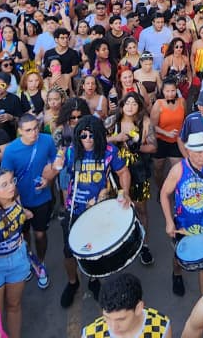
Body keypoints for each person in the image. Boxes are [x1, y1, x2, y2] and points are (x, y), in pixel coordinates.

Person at [41, 114, 132, 307]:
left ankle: (93, 279)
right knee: (69, 252)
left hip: (99, 210)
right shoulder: (71, 152)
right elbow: (49, 174)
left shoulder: (109, 151)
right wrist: (56, 161)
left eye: (92, 135)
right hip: (74, 210)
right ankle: (72, 283)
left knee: (96, 249)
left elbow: (123, 171)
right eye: (83, 136)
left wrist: (124, 192)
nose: (88, 140)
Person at [161, 132, 203, 297]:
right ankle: (177, 274)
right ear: (189, 151)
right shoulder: (178, 170)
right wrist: (169, 222)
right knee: (179, 256)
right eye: (199, 152)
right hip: (182, 225)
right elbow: (164, 194)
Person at [0, 112, 56, 290]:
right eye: (29, 130)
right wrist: (18, 206)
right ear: (20, 131)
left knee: (40, 234)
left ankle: (41, 263)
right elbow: (6, 180)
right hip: (19, 201)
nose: (34, 133)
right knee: (23, 236)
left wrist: (48, 179)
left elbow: (55, 163)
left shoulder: (47, 141)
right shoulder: (11, 150)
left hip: (42, 198)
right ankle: (28, 260)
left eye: (36, 128)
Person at [0, 169, 33, 338]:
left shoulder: (14, 197)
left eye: (11, 181)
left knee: (14, 305)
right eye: (4, 185)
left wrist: (25, 213)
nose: (11, 187)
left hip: (18, 257)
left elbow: (18, 213)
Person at [111, 91, 158, 266]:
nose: (130, 106)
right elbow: (99, 139)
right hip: (116, 173)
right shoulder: (113, 122)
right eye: (127, 103)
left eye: (134, 103)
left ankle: (143, 244)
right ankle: (121, 242)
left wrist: (137, 147)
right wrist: (115, 138)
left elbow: (153, 146)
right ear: (122, 106)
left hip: (138, 171)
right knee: (118, 207)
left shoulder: (144, 122)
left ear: (139, 107)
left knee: (141, 209)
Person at [81, 273, 172, 338]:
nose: (113, 327)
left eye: (121, 319)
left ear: (138, 308)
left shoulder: (161, 328)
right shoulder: (91, 335)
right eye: (107, 317)